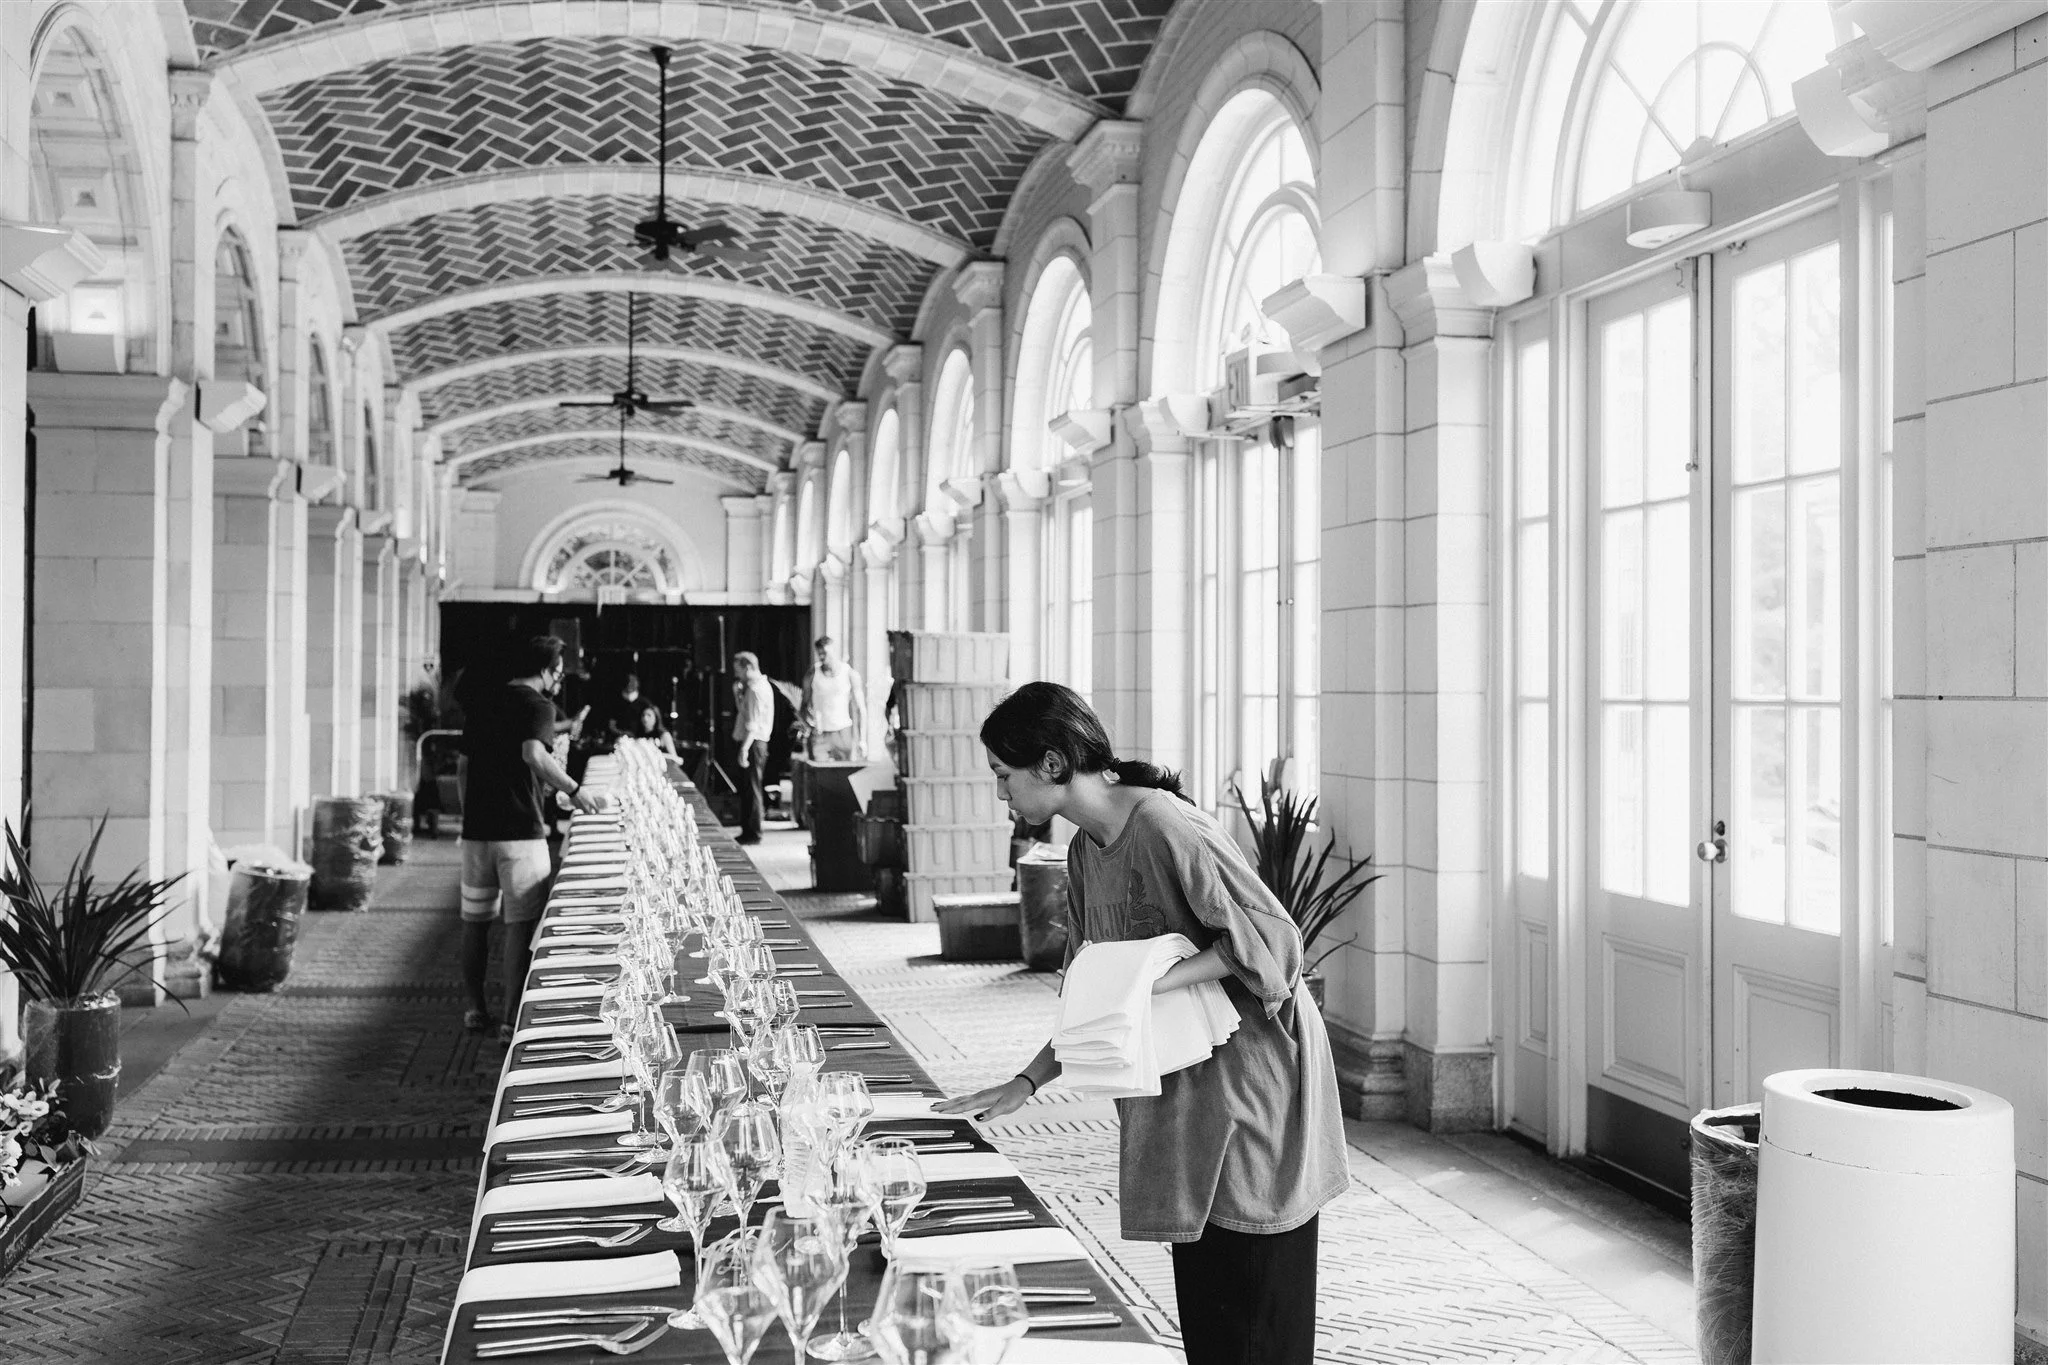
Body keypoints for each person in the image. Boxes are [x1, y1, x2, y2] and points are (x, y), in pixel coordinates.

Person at [937, 681, 1347, 1365]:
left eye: (1004, 777)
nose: (1002, 795)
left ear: (1051, 763)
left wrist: (1151, 980)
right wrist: (1026, 1080)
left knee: (1255, 1321)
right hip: (1187, 1094)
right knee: (1213, 1324)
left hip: (1252, 1092)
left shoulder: (1164, 826)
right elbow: (1095, 993)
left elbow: (1277, 945)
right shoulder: (1082, 851)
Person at [458, 635, 609, 1040]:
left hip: (476, 833)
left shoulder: (483, 700)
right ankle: (510, 1019)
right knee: (519, 925)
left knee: (475, 923)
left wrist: (469, 813)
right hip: (520, 832)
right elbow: (534, 755)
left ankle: (474, 1010)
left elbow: (462, 765)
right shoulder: (538, 705)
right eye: (559, 669)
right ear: (546, 669)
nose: (560, 677)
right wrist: (577, 792)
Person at [731, 651, 774, 844]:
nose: (737, 675)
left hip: (754, 743)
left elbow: (753, 724)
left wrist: (744, 748)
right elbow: (745, 713)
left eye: (738, 670)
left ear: (748, 667)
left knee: (753, 788)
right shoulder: (754, 687)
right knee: (748, 788)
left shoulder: (757, 689)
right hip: (754, 742)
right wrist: (737, 695)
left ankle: (754, 832)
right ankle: (748, 830)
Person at [799, 636, 865, 761]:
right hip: (821, 734)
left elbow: (860, 709)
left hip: (843, 732)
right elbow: (803, 706)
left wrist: (862, 740)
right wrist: (809, 725)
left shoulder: (849, 673)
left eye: (825, 653)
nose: (822, 657)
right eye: (819, 654)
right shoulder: (813, 673)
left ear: (834, 651)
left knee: (845, 775)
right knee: (819, 776)